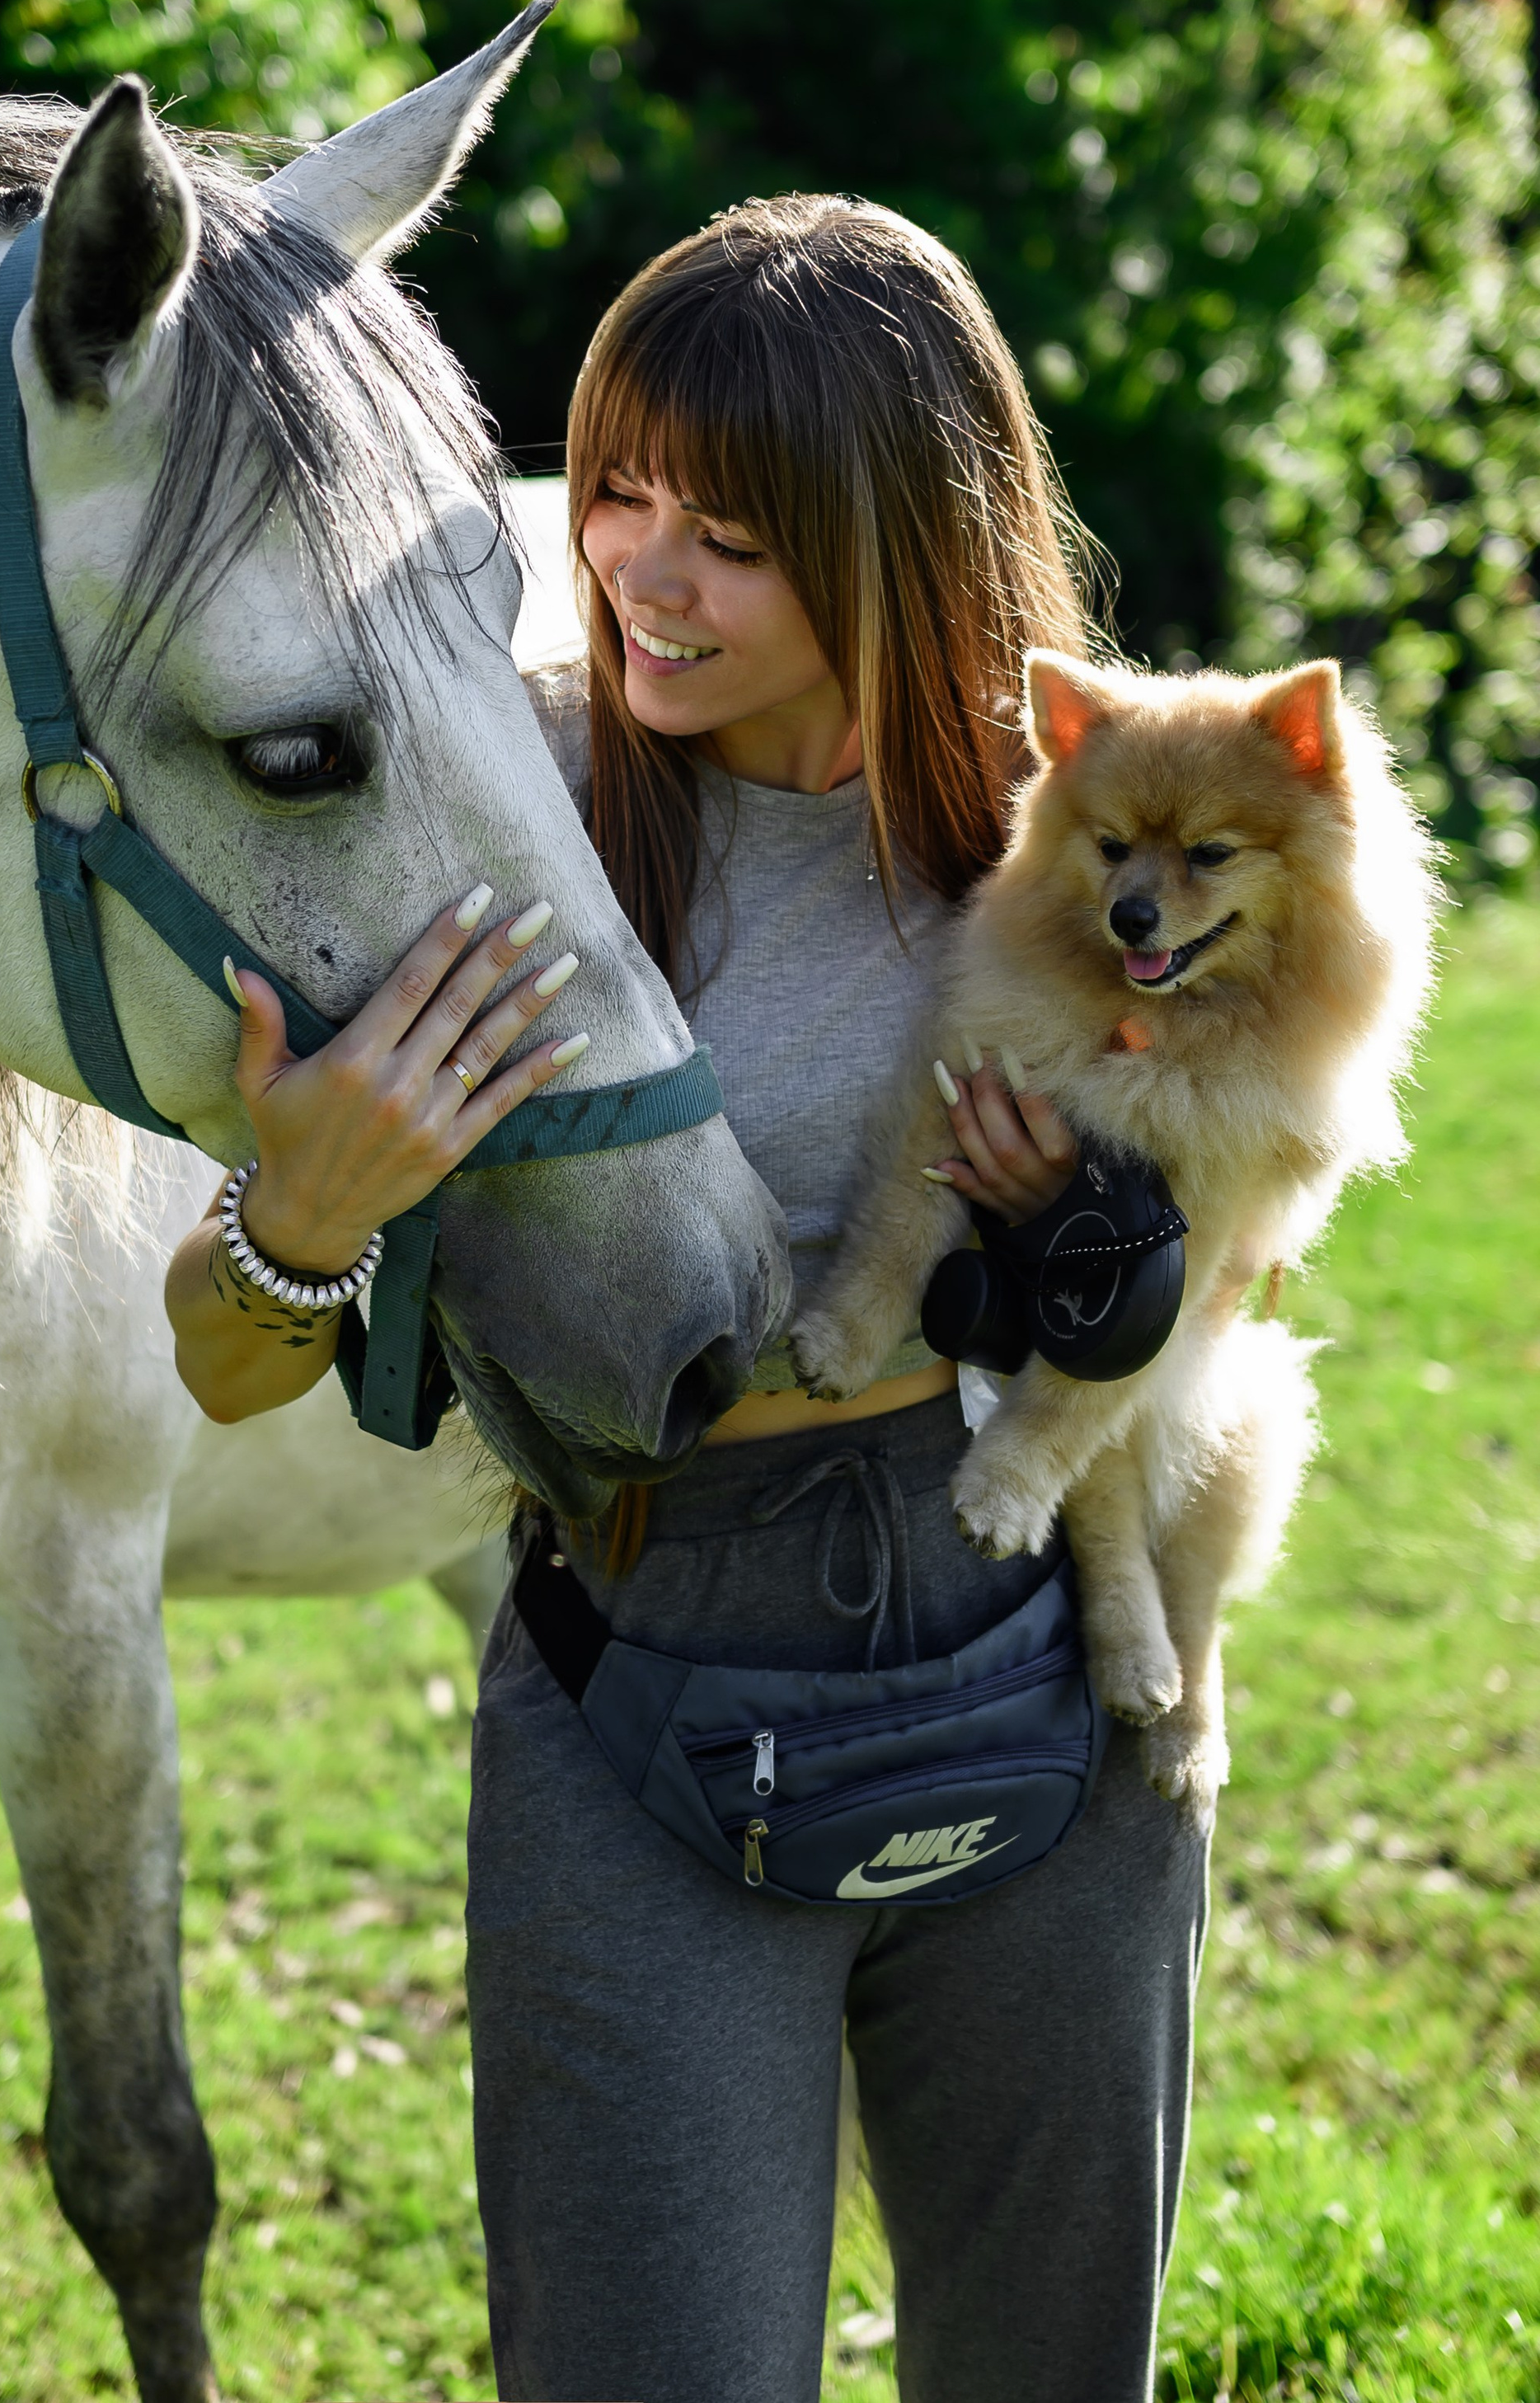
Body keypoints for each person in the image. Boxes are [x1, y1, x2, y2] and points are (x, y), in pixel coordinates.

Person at [166, 195, 1209, 2403]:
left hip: (1046, 1673)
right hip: (639, 1687)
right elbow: (223, 1359)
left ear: (903, 545)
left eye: (728, 535)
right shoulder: (492, 800)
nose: (638, 568)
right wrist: (308, 1206)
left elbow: (1248, 1232)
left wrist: (1095, 1260)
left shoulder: (1081, 838)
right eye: (615, 489)